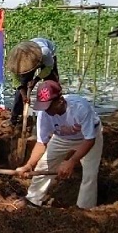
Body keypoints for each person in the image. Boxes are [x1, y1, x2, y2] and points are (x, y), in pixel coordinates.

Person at [14, 80, 103, 209]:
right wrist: (29, 165)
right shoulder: (44, 114)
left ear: (60, 101)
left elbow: (90, 140)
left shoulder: (80, 108)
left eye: (49, 106)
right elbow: (41, 143)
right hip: (62, 137)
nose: (46, 111)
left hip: (87, 137)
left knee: (90, 174)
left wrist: (72, 161)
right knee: (44, 165)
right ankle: (33, 199)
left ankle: (84, 209)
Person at [5, 37, 59, 127]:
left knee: (51, 86)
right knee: (21, 88)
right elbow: (17, 81)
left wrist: (36, 79)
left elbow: (48, 68)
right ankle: (14, 118)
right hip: (31, 59)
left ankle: (52, 116)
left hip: (47, 60)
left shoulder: (45, 52)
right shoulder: (16, 61)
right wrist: (24, 95)